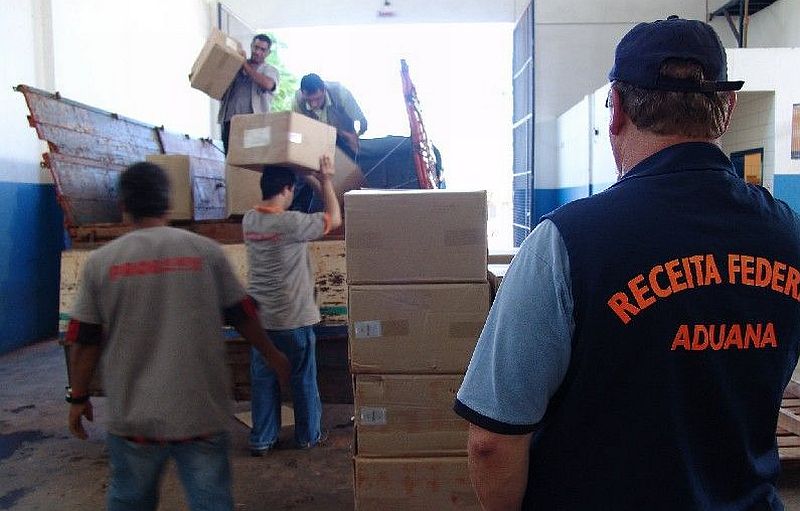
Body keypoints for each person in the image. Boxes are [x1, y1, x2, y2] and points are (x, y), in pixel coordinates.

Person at [454, 15, 800, 510]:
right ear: (726, 110)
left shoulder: (566, 243)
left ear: (615, 109)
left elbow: (492, 442)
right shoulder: (789, 236)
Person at [66, 162, 291, 511]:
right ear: (168, 203)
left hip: (134, 418)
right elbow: (242, 313)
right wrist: (272, 354)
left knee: (129, 502)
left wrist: (78, 397)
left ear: (124, 206)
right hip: (199, 415)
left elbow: (84, 338)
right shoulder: (206, 252)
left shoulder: (102, 262)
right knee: (211, 502)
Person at [243, 156, 341, 456]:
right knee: (302, 379)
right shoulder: (292, 223)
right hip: (294, 319)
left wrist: (300, 174)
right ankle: (308, 436)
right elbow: (335, 218)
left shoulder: (249, 220)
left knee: (263, 380)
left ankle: (262, 439)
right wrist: (323, 179)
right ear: (287, 189)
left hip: (261, 322)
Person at [219, 34, 279, 153]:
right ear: (251, 46)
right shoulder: (235, 65)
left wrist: (244, 65)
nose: (257, 52)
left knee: (253, 160)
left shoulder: (270, 70)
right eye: (256, 47)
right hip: (230, 122)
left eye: (262, 49)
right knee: (230, 159)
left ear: (268, 53)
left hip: (255, 125)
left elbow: (268, 84)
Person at [292, 73, 367, 159]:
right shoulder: (297, 102)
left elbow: (363, 123)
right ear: (302, 94)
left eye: (318, 99)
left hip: (345, 145)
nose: (314, 104)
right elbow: (298, 132)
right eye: (309, 100)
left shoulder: (340, 93)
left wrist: (355, 136)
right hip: (317, 145)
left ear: (324, 90)